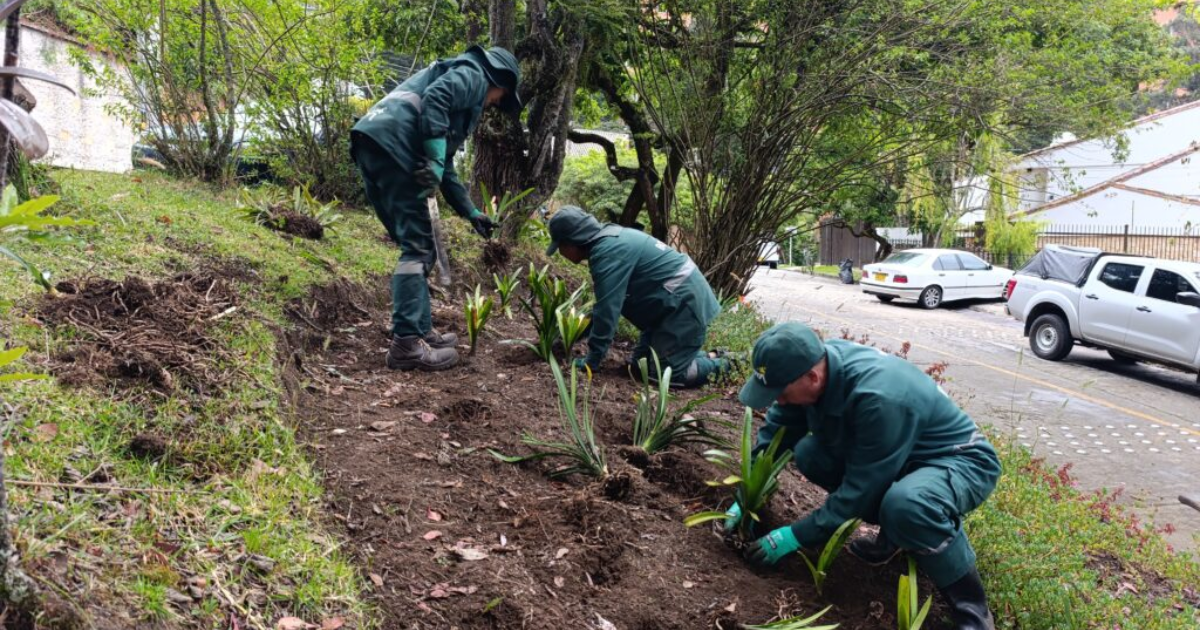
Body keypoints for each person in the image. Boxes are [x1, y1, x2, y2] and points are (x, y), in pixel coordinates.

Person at [731, 322, 1001, 630]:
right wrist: (746, 494)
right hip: (896, 452)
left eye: (780, 392)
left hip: (959, 461)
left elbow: (861, 489)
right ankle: (896, 535)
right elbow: (776, 435)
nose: (777, 400)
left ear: (813, 378)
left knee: (909, 506)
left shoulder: (879, 396)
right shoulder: (813, 366)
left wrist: (795, 535)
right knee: (810, 454)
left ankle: (973, 610)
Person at [350, 46, 521, 371]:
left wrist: (471, 212)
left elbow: (447, 169)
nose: (497, 101)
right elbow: (437, 99)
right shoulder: (473, 75)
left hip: (375, 144)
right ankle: (406, 346)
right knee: (419, 247)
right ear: (498, 77)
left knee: (418, 246)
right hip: (395, 147)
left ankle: (419, 329)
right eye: (503, 94)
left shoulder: (453, 96)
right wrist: (434, 159)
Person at [545, 206, 730, 388]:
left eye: (560, 246)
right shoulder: (608, 240)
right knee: (638, 367)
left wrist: (591, 361)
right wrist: (566, 338)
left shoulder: (608, 252)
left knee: (665, 375)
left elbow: (607, 311)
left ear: (572, 242)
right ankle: (708, 355)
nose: (561, 253)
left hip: (684, 305)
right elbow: (605, 307)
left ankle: (730, 364)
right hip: (666, 309)